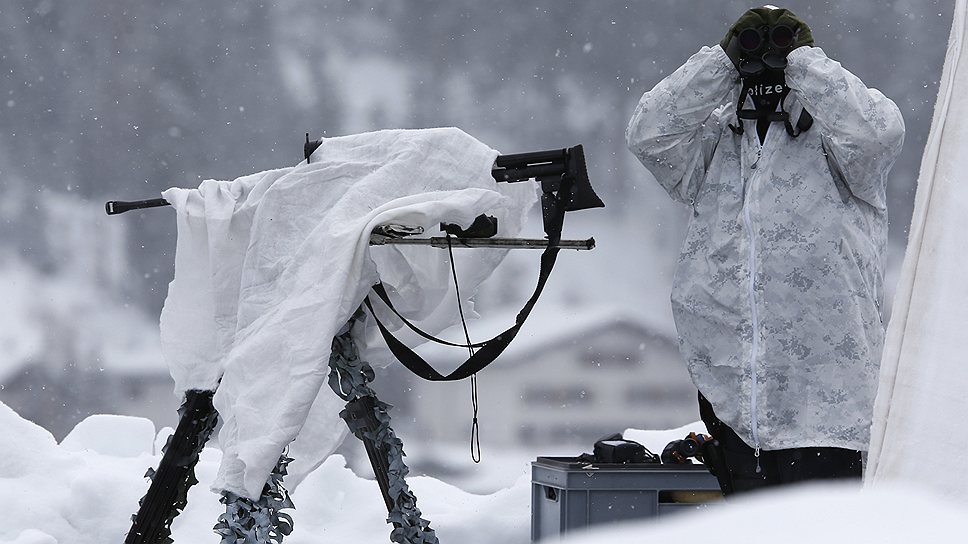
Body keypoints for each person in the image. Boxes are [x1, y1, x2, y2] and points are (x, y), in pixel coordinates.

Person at [625, 6, 904, 495]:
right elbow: (648, 134)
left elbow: (878, 132)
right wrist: (722, 65)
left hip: (829, 411)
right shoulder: (716, 145)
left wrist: (803, 62)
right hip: (736, 401)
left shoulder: (842, 149)